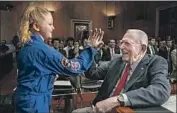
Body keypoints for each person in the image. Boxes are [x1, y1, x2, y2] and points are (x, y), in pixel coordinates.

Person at [13, 3, 104, 113]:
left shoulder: (27, 45)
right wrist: (91, 49)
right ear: (37, 26)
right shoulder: (42, 49)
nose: (53, 27)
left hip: (24, 98)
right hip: (34, 102)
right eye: (50, 24)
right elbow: (73, 67)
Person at [72, 29, 171, 113]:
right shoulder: (117, 60)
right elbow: (93, 74)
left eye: (127, 43)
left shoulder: (155, 62)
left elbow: (161, 90)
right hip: (100, 108)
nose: (121, 47)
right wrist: (91, 50)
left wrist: (119, 100)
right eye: (121, 42)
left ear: (142, 48)